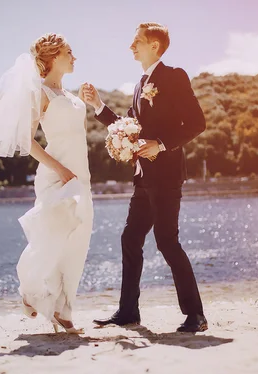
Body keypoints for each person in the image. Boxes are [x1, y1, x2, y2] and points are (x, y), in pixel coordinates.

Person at [82, 22, 208, 333]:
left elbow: (197, 123)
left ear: (154, 45)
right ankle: (128, 312)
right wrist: (97, 105)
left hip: (166, 176)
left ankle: (196, 315)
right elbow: (128, 125)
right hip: (143, 179)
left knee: (167, 242)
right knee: (130, 238)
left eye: (136, 41)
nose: (131, 47)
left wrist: (161, 144)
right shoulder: (141, 84)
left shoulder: (174, 76)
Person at [0, 33, 93, 334]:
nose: (74, 57)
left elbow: (76, 135)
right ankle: (32, 291)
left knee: (78, 240)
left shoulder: (70, 96)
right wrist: (60, 169)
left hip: (81, 175)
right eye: (69, 52)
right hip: (56, 175)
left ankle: (64, 308)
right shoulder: (40, 93)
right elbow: (26, 141)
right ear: (54, 56)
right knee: (53, 236)